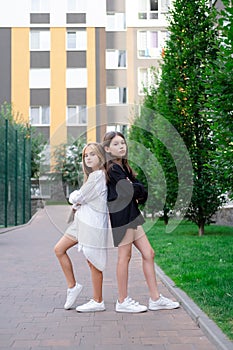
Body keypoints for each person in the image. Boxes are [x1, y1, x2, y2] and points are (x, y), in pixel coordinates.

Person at [103, 131, 180, 313]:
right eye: (116, 144)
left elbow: (141, 191)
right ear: (107, 149)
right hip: (122, 216)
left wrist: (135, 187)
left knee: (149, 253)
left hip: (132, 213)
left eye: (122, 143)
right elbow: (130, 190)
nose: (121, 146)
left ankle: (155, 299)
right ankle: (122, 301)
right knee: (125, 256)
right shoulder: (112, 168)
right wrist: (135, 188)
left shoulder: (125, 168)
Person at [54, 142, 109, 312]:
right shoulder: (92, 177)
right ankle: (73, 286)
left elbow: (78, 197)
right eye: (86, 155)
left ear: (100, 156)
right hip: (80, 223)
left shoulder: (99, 176)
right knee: (59, 249)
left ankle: (98, 301)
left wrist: (75, 197)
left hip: (91, 225)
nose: (88, 158)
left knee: (93, 262)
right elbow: (81, 199)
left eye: (92, 154)